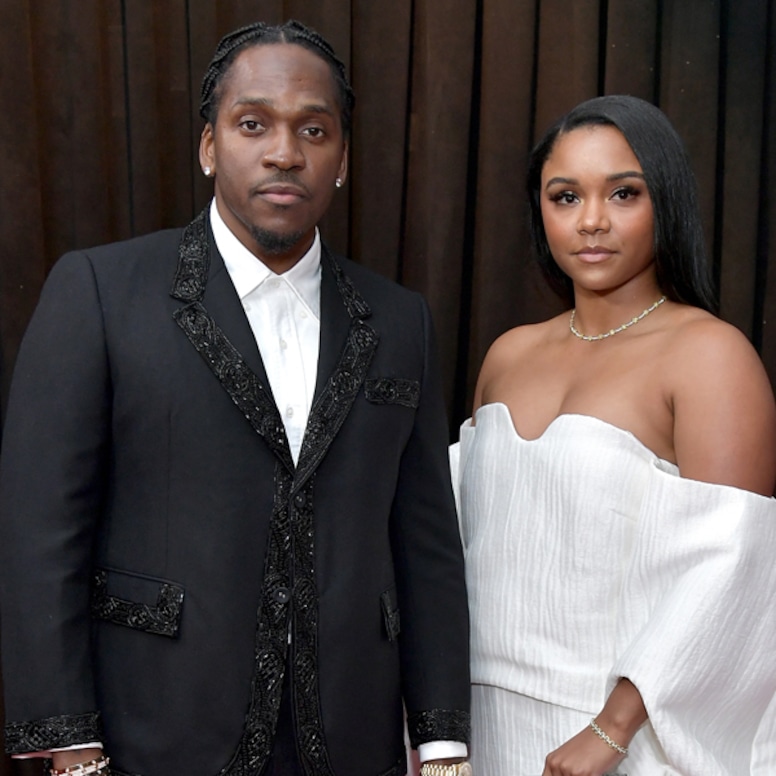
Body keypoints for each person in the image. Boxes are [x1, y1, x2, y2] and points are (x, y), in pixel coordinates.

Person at [0, 20, 472, 776]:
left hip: (348, 737)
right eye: (254, 124)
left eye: (314, 129)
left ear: (343, 158)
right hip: (153, 731)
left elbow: (425, 545)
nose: (285, 152)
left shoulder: (397, 319)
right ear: (210, 145)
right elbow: (40, 530)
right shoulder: (100, 291)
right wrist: (68, 739)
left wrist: (443, 737)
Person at [451, 94, 776, 776]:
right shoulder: (507, 356)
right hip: (482, 725)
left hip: (625, 737)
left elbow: (729, 574)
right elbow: (459, 550)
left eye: (623, 193)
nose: (591, 222)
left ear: (666, 201)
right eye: (565, 197)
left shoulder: (710, 356)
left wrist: (611, 730)